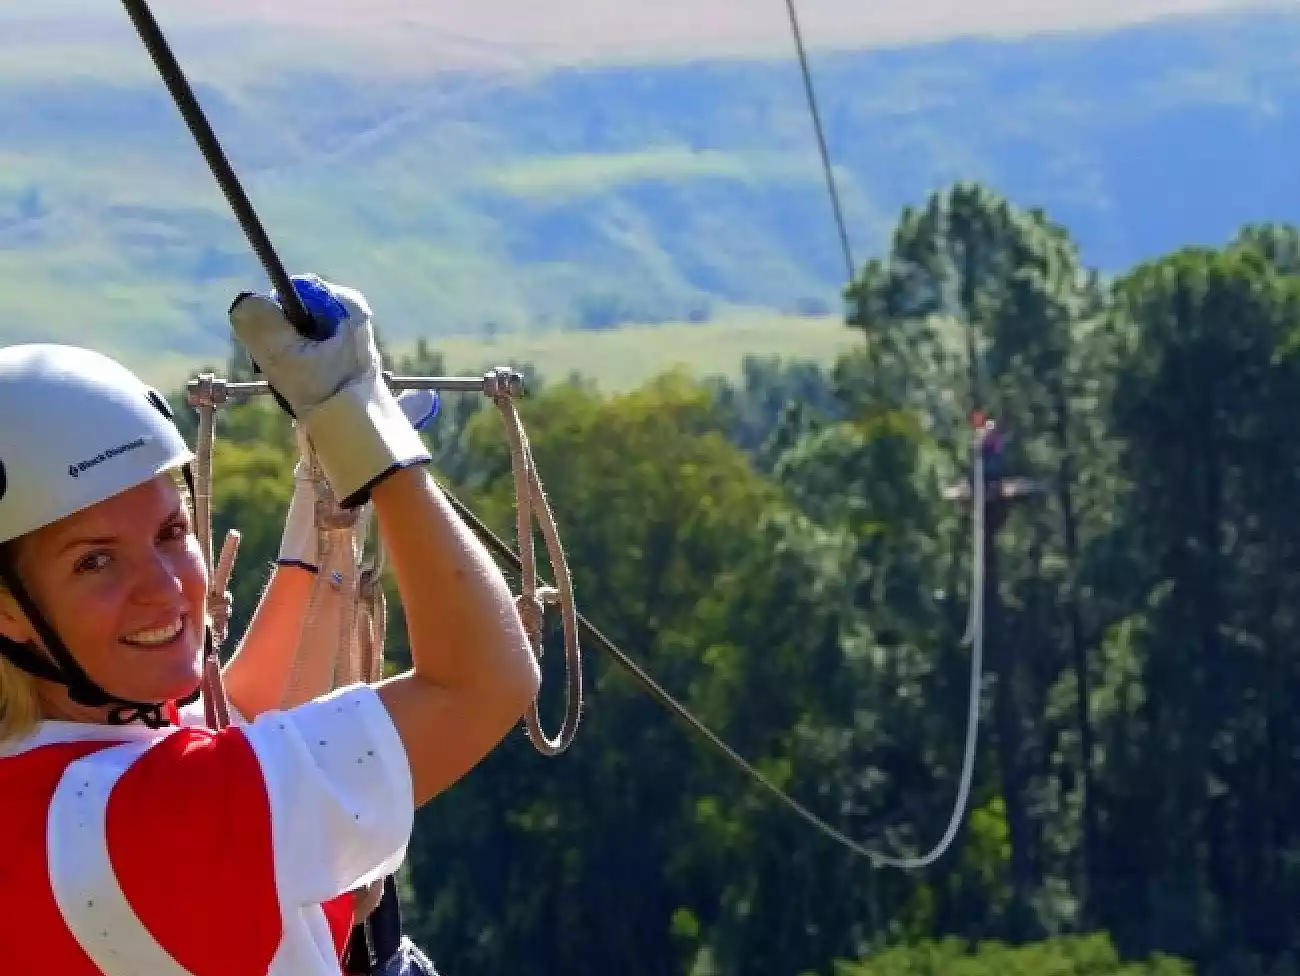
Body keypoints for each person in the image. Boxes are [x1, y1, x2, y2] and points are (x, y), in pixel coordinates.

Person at [0, 275, 542, 974]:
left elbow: (239, 715)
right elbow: (485, 681)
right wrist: (364, 426)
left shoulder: (57, 789)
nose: (165, 589)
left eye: (171, 531)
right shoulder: (156, 821)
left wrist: (323, 522)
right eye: (95, 562)